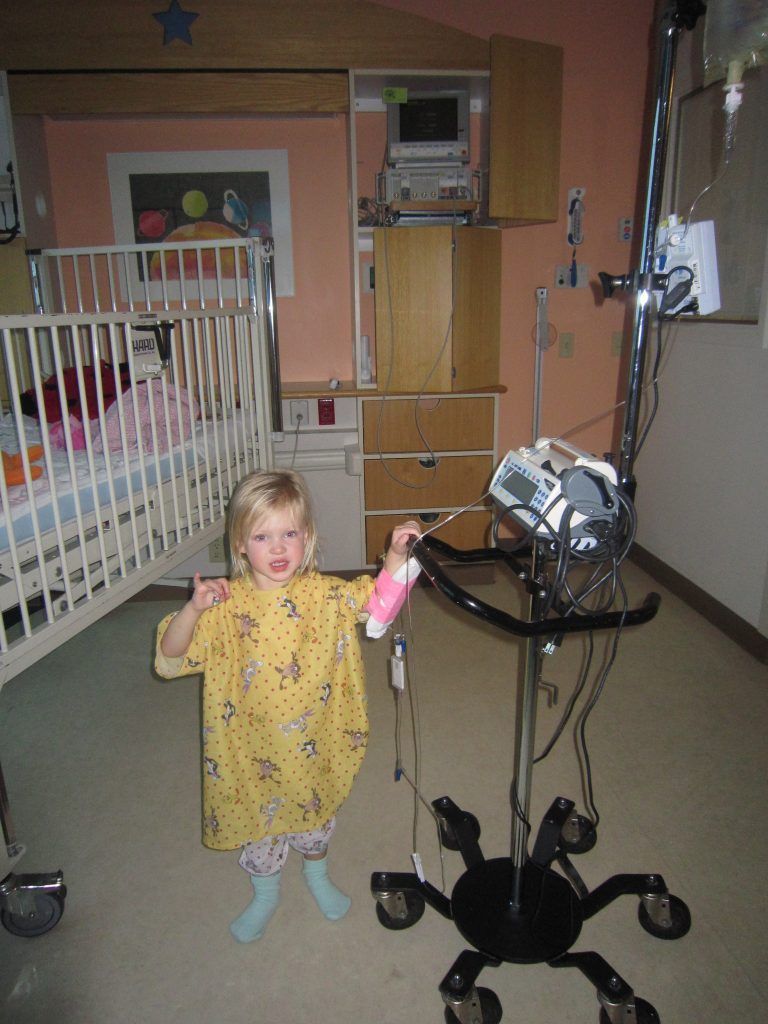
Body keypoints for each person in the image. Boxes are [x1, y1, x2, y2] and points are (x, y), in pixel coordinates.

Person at [155, 468, 420, 943]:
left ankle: (316, 874)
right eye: (262, 536)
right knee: (259, 827)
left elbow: (379, 605)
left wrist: (398, 556)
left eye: (289, 534)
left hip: (312, 743)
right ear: (239, 543)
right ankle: (265, 891)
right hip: (248, 750)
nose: (277, 548)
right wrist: (192, 609)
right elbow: (171, 657)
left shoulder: (325, 595)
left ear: (307, 537)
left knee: (313, 819)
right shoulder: (223, 606)